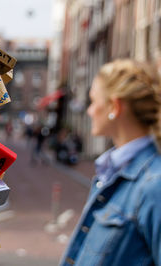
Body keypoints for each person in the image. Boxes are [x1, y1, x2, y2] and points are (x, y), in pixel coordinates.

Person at [60, 59, 161, 265]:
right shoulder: (112, 172)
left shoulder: (154, 186)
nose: (89, 111)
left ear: (114, 106)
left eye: (93, 101)